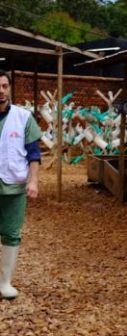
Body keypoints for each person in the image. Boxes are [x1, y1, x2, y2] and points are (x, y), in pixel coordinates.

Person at [0, 70, 41, 300]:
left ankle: (4, 282)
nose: (1, 91)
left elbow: (34, 153)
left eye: (5, 86)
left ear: (10, 88)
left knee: (11, 233)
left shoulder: (23, 117)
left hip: (14, 185)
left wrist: (33, 179)